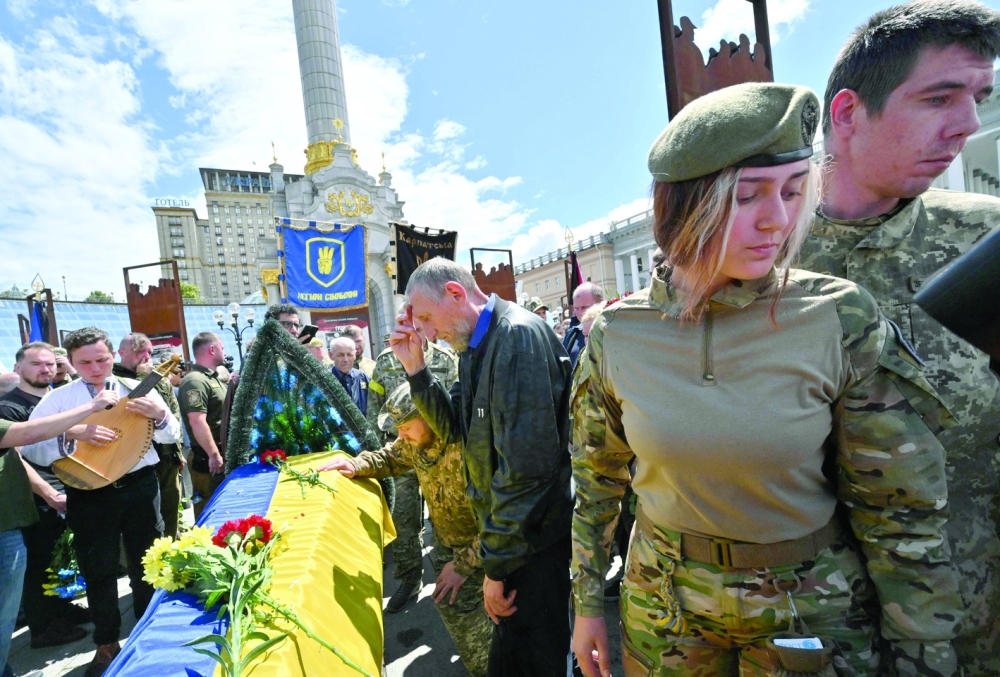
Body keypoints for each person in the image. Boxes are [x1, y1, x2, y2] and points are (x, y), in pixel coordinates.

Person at [571, 83, 964, 677]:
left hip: (809, 610)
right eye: (748, 196)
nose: (778, 220)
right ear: (685, 205)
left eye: (792, 191)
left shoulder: (838, 316)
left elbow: (898, 509)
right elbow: (596, 480)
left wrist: (923, 652)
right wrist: (585, 607)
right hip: (663, 606)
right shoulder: (616, 334)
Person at [798, 3, 1000, 673]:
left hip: (980, 630)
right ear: (849, 112)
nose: (968, 124)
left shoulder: (985, 242)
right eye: (940, 97)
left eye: (980, 98)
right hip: (824, 636)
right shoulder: (759, 264)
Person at [391, 257, 574, 676]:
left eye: (427, 318)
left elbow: (526, 474)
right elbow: (454, 428)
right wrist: (416, 369)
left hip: (531, 546)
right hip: (513, 541)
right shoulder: (477, 345)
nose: (428, 332)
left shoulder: (516, 338)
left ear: (455, 294)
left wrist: (495, 567)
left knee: (540, 661)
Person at [22, 327, 181, 677]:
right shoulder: (59, 399)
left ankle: (148, 634)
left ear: (113, 356)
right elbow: (31, 446)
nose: (95, 368)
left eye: (102, 359)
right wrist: (75, 431)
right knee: (99, 570)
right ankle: (107, 643)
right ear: (72, 362)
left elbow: (173, 435)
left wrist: (160, 415)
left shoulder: (135, 390)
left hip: (141, 486)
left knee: (148, 562)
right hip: (89, 492)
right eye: (85, 362)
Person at [320, 383, 491, 675]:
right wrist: (355, 464)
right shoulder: (416, 442)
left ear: (429, 417)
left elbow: (505, 519)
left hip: (488, 552)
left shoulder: (470, 447)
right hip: (451, 548)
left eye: (406, 427)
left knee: (482, 622)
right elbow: (389, 456)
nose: (401, 436)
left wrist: (462, 565)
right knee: (460, 612)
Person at [0, 380, 119, 677]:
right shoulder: (10, 407)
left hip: (10, 520)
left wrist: (46, 491)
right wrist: (91, 408)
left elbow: (12, 451)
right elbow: (26, 434)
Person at [2, 343, 90, 649]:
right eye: (37, 364)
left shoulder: (58, 399)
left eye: (51, 364)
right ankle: (43, 627)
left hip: (69, 486)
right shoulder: (10, 406)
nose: (46, 369)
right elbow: (16, 458)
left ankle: (61, 609)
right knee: (38, 562)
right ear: (18, 369)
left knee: (60, 557)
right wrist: (48, 491)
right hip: (38, 496)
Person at [368, 325, 459, 613]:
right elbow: (374, 409)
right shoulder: (383, 362)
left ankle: (451, 574)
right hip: (404, 451)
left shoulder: (446, 359)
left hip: (443, 455)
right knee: (404, 520)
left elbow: (458, 405)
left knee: (447, 517)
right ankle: (409, 579)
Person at [114, 334, 184, 539]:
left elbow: (174, 414)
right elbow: (130, 406)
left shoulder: (158, 377)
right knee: (143, 523)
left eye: (149, 353)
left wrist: (177, 451)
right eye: (139, 352)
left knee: (170, 511)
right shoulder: (113, 378)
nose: (146, 357)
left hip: (166, 458)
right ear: (121, 353)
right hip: (137, 462)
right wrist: (144, 378)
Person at [178, 332, 228, 518]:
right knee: (210, 510)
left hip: (220, 455)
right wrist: (213, 455)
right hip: (208, 460)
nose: (224, 352)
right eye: (222, 348)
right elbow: (197, 420)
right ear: (212, 349)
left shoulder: (211, 378)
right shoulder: (195, 380)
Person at [563, 283, 603, 369]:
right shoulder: (571, 335)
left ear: (600, 303)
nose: (580, 313)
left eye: (585, 307)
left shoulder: (610, 332)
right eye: (576, 308)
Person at [330, 336, 369, 414]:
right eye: (340, 355)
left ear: (355, 355)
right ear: (331, 356)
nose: (346, 359)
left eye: (349, 354)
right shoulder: (324, 379)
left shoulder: (363, 377)